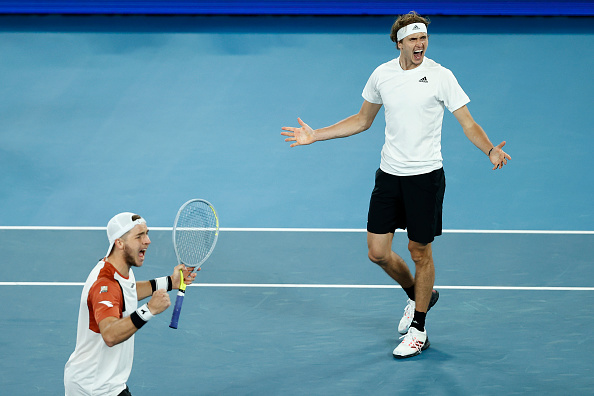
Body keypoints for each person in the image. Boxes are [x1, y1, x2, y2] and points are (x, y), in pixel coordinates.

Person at [281, 11, 511, 359]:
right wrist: (316, 135)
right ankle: (418, 294)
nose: (421, 44)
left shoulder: (440, 76)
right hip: (389, 175)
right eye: (414, 39)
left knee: (420, 252)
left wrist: (490, 149)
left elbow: (467, 122)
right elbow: (362, 120)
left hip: (425, 177)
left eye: (424, 38)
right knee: (377, 252)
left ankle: (419, 329)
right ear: (399, 42)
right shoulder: (382, 75)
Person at [64, 212, 197, 395]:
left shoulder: (118, 268)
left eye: (146, 233)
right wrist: (149, 310)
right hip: (94, 387)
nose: (148, 240)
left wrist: (169, 282)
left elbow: (126, 293)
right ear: (119, 243)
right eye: (139, 236)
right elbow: (110, 335)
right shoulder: (105, 283)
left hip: (109, 383)